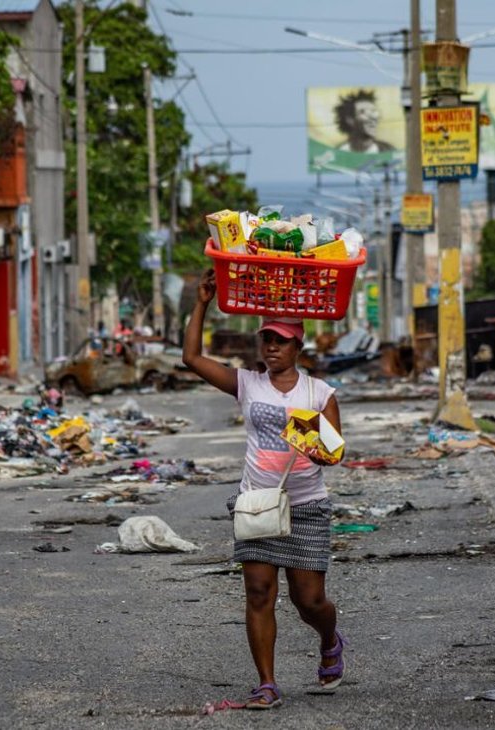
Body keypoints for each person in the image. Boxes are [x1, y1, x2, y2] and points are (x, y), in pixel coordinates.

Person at [182, 268, 346, 710]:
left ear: (298, 346)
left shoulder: (319, 392)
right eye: (266, 340)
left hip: (306, 505)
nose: (271, 347)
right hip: (257, 501)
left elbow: (336, 453)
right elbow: (192, 360)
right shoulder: (248, 384)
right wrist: (201, 303)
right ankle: (267, 684)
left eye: (281, 340)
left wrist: (313, 446)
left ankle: (330, 638)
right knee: (258, 593)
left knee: (309, 601)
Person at [333, 89, 394, 154]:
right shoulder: (338, 153)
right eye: (363, 112)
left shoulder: (389, 151)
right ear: (350, 120)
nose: (372, 116)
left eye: (373, 111)